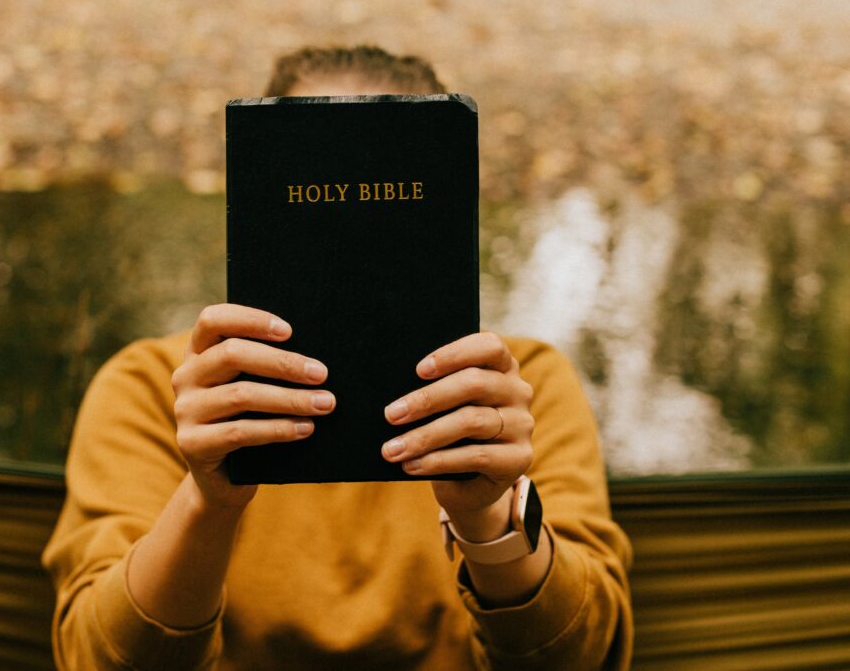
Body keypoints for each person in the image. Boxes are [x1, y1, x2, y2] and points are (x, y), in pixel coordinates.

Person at [42, 45, 634, 670]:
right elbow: (97, 657)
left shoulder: (512, 390)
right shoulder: (154, 389)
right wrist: (209, 499)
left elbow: (583, 657)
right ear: (255, 204)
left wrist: (489, 519)